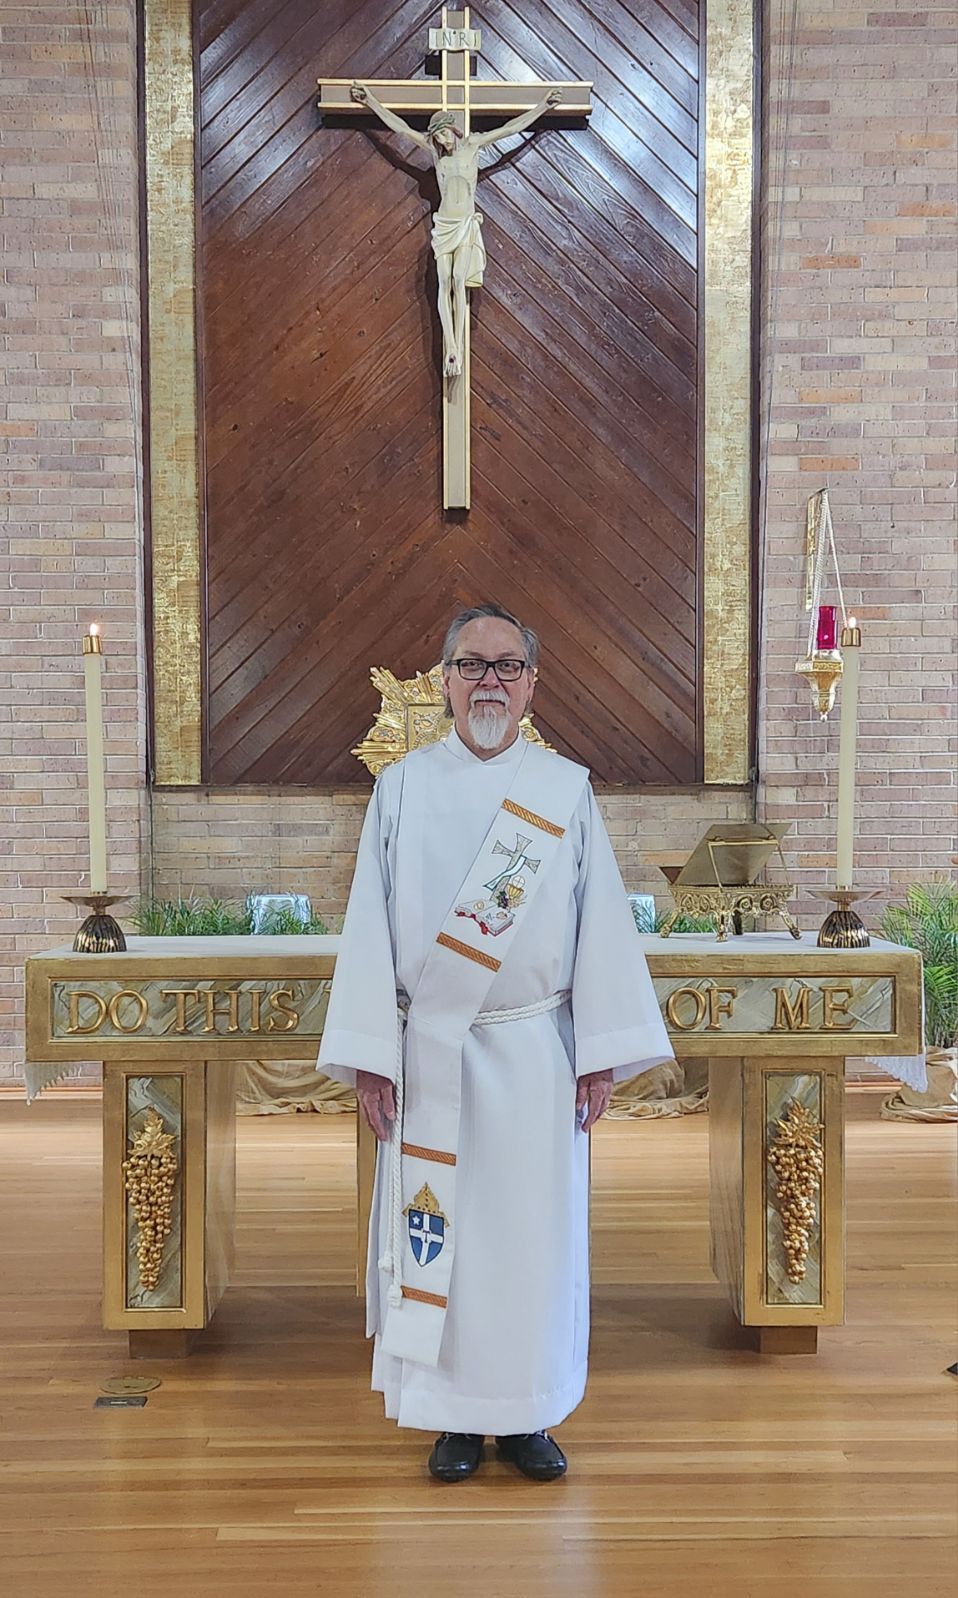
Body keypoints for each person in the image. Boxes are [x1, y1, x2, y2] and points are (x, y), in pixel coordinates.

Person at [318, 602, 672, 1482]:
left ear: (531, 686)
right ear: (443, 681)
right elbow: (367, 928)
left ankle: (529, 1413)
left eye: (507, 666)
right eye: (471, 665)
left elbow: (600, 927)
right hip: (429, 1056)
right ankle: (449, 1417)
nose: (489, 682)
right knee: (442, 1236)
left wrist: (598, 1053)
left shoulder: (564, 791)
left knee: (531, 1244)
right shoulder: (401, 789)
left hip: (533, 1055)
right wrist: (371, 1058)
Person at [349, 82, 561, 376]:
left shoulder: (473, 145)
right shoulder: (437, 154)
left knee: (459, 279)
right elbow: (400, 128)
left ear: (453, 129)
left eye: (444, 134)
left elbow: (511, 129)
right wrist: (370, 102)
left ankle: (456, 346)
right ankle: (449, 343)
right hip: (445, 225)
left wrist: (543, 107)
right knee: (444, 280)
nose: (442, 140)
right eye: (436, 137)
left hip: (464, 224)